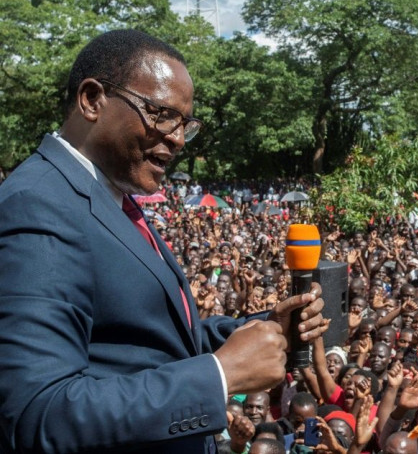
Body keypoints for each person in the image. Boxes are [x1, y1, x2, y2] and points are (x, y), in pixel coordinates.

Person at [0, 30, 327, 453]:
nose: (176, 137)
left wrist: (258, 330)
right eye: (160, 114)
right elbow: (36, 414)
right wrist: (220, 375)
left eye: (185, 124)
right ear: (92, 100)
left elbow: (142, 344)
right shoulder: (39, 205)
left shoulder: (109, 194)